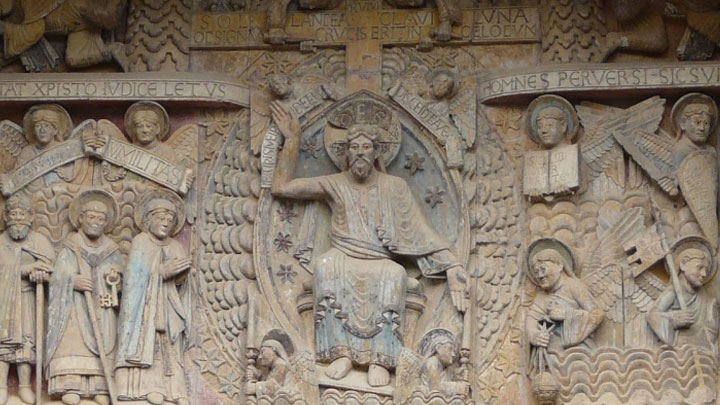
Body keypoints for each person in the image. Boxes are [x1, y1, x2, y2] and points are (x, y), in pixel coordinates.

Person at [270, 102, 468, 387]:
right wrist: (292, 140)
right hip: (343, 255)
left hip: (379, 259)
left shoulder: (394, 186)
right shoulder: (335, 183)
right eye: (354, 147)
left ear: (376, 152)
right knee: (325, 267)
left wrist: (451, 265)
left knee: (395, 274)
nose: (360, 152)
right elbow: (282, 187)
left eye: (366, 147)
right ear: (346, 153)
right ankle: (341, 354)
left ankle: (381, 359)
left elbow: (419, 232)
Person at [45, 190, 122, 405]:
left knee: (105, 341)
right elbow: (57, 276)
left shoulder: (111, 248)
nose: (95, 222)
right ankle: (71, 384)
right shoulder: (71, 245)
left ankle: (99, 386)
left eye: (100, 219)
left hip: (102, 304)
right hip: (75, 306)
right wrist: (72, 281)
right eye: (91, 217)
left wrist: (115, 278)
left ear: (106, 222)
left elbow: (120, 275)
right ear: (81, 218)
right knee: (74, 339)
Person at [114, 190, 191, 405]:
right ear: (148, 220)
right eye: (161, 218)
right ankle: (146, 388)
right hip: (144, 310)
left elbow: (182, 284)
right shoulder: (141, 242)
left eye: (170, 220)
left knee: (171, 347)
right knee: (148, 344)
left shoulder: (175, 246)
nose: (166, 223)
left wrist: (181, 276)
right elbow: (133, 279)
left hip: (169, 306)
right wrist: (160, 272)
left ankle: (174, 390)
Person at [0, 195, 54, 404]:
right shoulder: (1, 242)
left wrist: (41, 274)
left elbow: (52, 268)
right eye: (13, 214)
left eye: (22, 214)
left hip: (29, 297)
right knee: (3, 341)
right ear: (6, 217)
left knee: (27, 340)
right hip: (4, 301)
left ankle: (24, 386)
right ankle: (2, 385)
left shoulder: (39, 241)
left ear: (31, 217)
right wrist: (25, 269)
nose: (17, 218)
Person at [525, 239, 603, 353]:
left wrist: (567, 315)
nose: (540, 276)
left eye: (543, 269)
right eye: (536, 272)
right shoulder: (542, 295)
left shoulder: (573, 286)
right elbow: (532, 318)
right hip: (550, 354)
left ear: (559, 265)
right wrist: (534, 335)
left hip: (576, 353)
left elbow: (597, 314)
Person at [647, 237, 718, 350]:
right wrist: (674, 320)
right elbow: (652, 315)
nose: (704, 274)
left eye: (706, 269)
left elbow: (711, 335)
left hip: (701, 351)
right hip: (679, 352)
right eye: (699, 268)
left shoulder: (707, 301)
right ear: (683, 265)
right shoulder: (672, 292)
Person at [417, 329, 468, 397]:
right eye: (450, 349)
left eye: (454, 351)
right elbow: (435, 386)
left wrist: (458, 374)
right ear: (438, 348)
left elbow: (449, 376)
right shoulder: (431, 362)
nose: (453, 355)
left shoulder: (445, 368)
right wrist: (457, 387)